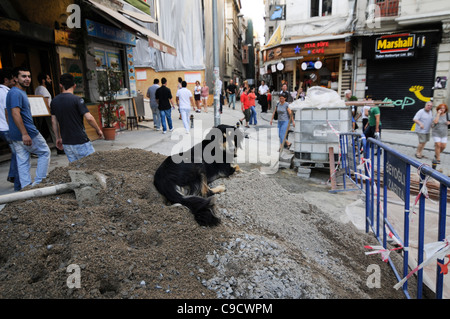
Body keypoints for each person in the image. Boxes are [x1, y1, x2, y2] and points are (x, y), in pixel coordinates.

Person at [6, 66, 50, 189]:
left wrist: (14, 130)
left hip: (16, 134)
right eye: (23, 76)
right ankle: (39, 183)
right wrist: (24, 133)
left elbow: (8, 113)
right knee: (45, 152)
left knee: (23, 160)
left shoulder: (16, 92)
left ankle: (26, 187)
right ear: (15, 78)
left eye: (29, 76)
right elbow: (15, 113)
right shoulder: (15, 92)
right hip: (28, 132)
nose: (27, 79)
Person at [50, 73, 103, 162]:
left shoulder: (54, 101)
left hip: (66, 142)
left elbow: (53, 121)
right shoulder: (77, 100)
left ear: (60, 85)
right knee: (92, 165)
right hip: (80, 140)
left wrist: (58, 138)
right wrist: (98, 129)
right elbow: (89, 118)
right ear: (74, 86)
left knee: (76, 168)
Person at [0, 68, 21, 191]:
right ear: (6, 80)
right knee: (19, 153)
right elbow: (8, 112)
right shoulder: (8, 93)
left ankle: (12, 175)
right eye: (12, 79)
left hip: (1, 128)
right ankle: (17, 183)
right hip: (7, 127)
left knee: (16, 152)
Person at [35, 72, 61, 154]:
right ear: (43, 80)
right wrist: (51, 114)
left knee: (43, 132)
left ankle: (37, 149)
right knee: (53, 129)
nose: (50, 80)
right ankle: (59, 148)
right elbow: (46, 103)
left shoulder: (37, 89)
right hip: (47, 113)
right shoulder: (43, 89)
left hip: (41, 113)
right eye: (48, 78)